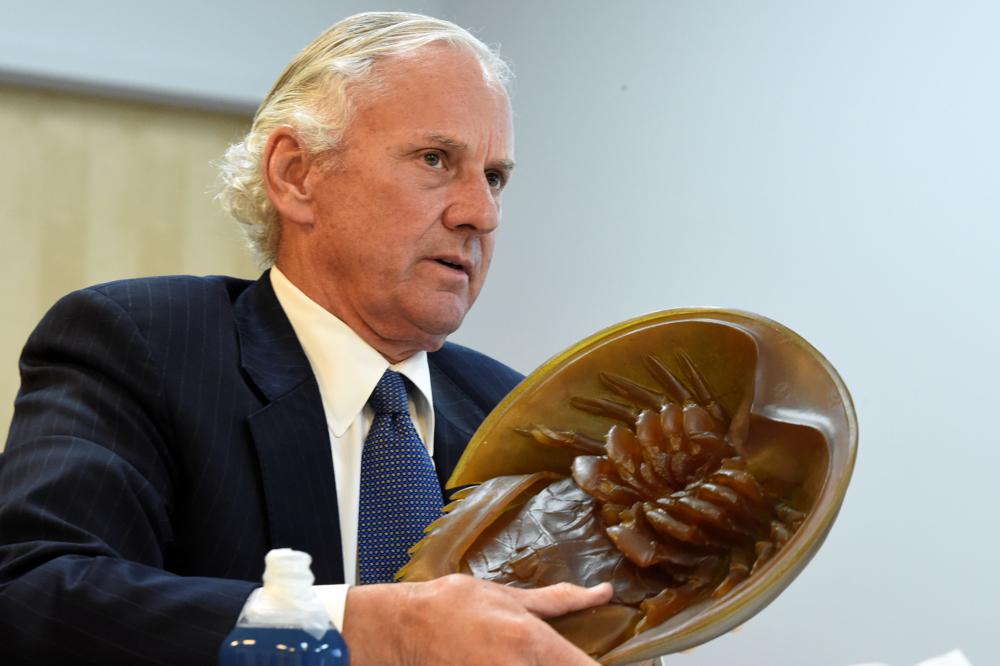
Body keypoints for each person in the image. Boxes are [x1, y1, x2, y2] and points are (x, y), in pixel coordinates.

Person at [0, 11, 614, 666]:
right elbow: (32, 594)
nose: (481, 214)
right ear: (295, 173)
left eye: (495, 177)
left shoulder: (517, 415)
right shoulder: (144, 344)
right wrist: (375, 629)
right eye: (435, 160)